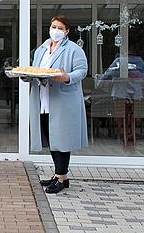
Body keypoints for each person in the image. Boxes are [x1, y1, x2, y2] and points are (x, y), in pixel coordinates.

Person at [28, 15, 89, 194]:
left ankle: (61, 177)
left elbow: (82, 71)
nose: (55, 30)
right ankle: (59, 174)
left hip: (62, 99)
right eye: (53, 26)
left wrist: (66, 77)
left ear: (67, 31)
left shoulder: (73, 49)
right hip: (44, 98)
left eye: (60, 28)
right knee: (52, 138)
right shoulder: (42, 49)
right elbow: (36, 68)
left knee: (62, 139)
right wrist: (27, 76)